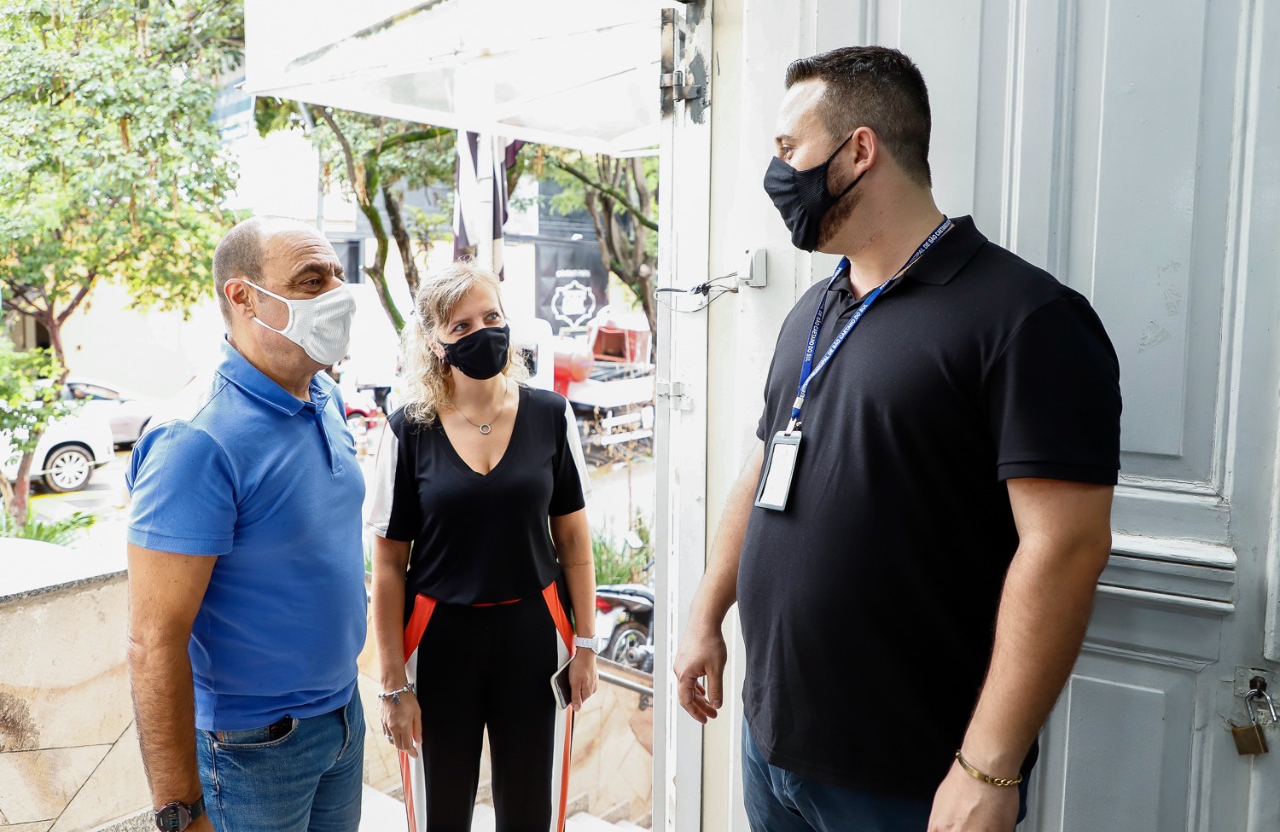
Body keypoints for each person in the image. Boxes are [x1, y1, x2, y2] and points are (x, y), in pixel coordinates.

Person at [674, 46, 1122, 832]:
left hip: (905, 776)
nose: (777, 173)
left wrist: (989, 764)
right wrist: (706, 614)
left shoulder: (1027, 318)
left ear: (859, 150)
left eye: (789, 149)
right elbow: (763, 465)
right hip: (772, 744)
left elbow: (1066, 546)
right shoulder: (814, 309)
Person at [126, 217, 368, 832]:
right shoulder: (193, 441)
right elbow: (154, 642)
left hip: (343, 717)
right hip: (252, 749)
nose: (337, 294)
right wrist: (182, 813)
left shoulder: (324, 396)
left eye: (337, 275)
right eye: (311, 281)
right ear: (243, 297)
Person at [366, 262, 598, 832]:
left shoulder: (551, 415)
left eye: (492, 316)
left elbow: (573, 540)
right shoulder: (407, 431)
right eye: (461, 325)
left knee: (531, 812)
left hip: (534, 635)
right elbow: (389, 566)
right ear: (434, 342)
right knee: (442, 814)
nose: (483, 332)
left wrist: (587, 644)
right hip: (438, 641)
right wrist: (393, 685)